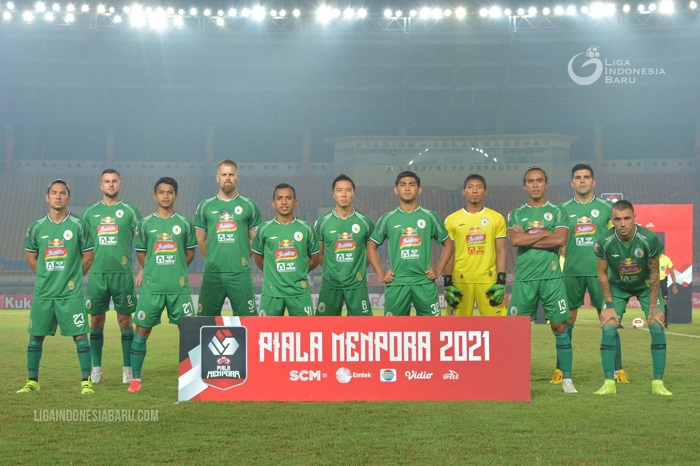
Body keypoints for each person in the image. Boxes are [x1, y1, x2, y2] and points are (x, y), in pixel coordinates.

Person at [18, 179, 96, 395]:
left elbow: (89, 257)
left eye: (62, 193)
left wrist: (72, 278)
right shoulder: (36, 227)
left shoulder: (79, 225)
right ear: (47, 197)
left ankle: (86, 382)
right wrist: (45, 277)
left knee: (80, 336)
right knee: (35, 336)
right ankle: (32, 381)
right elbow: (31, 257)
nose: (58, 196)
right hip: (44, 293)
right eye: (54, 193)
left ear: (69, 197)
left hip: (70, 294)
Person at [554, 164, 629, 384]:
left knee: (609, 321)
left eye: (586, 177)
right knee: (565, 323)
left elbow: (620, 236)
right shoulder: (562, 209)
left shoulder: (607, 208)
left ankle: (618, 370)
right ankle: (560, 370)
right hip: (571, 272)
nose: (582, 180)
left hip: (601, 273)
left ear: (593, 182)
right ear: (572, 183)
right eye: (578, 177)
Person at [507, 167, 577, 393]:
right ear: (524, 186)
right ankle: (515, 379)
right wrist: (547, 233)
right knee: (516, 329)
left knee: (559, 325)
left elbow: (560, 239)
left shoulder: (558, 212)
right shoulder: (517, 213)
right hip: (525, 278)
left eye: (539, 180)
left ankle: (567, 380)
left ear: (546, 184)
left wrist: (528, 236)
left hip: (551, 277)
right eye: (531, 181)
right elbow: (515, 240)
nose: (535, 184)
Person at [593, 200, 672, 395]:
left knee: (656, 326)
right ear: (612, 220)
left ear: (634, 218)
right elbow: (602, 273)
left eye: (627, 218)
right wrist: (609, 305)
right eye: (618, 219)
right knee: (608, 327)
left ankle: (658, 384)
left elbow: (654, 273)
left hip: (645, 286)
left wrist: (653, 306)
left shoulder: (648, 238)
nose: (622, 224)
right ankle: (609, 384)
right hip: (617, 287)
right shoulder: (604, 241)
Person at [128, 177, 197, 393]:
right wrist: (153, 270)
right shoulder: (145, 224)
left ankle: (194, 379)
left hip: (178, 288)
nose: (165, 196)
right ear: (155, 196)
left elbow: (189, 253)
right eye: (161, 192)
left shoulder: (185, 223)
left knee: (188, 331)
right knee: (142, 330)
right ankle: (136, 379)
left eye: (169, 192)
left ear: (176, 195)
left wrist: (176, 269)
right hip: (153, 288)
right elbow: (141, 254)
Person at [83, 169, 142, 385]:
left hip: (123, 274)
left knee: (125, 321)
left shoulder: (130, 211)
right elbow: (82, 245)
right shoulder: (90, 213)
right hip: (97, 274)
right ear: (101, 186)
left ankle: (127, 369)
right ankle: (96, 369)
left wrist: (143, 268)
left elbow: (143, 241)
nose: (110, 184)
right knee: (96, 320)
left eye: (114, 181)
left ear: (120, 185)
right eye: (107, 181)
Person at [367, 171, 454, 316]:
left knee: (433, 327)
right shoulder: (388, 218)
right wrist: (381, 274)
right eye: (403, 185)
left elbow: (449, 244)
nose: (407, 188)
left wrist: (438, 270)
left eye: (412, 185)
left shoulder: (429, 216)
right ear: (396, 190)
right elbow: (371, 247)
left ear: (419, 189)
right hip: (397, 283)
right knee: (394, 329)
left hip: (424, 282)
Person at [194, 160, 261, 316]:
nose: (228, 178)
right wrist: (213, 257)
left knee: (248, 321)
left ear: (237, 177)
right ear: (217, 178)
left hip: (240, 273)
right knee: (205, 321)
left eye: (231, 174)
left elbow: (255, 241)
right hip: (213, 273)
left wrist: (241, 256)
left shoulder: (249, 205)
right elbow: (200, 240)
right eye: (224, 174)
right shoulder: (205, 206)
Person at [443, 174, 507, 316]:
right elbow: (448, 253)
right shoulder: (452, 219)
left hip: (488, 279)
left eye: (479, 187)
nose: (474, 191)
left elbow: (501, 250)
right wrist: (448, 283)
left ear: (485, 192)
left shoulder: (496, 218)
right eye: (470, 187)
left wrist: (501, 281)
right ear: (464, 191)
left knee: (498, 325)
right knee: (456, 327)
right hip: (461, 280)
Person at [252, 183, 320, 316]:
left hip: (299, 292)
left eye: (288, 198)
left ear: (295, 202)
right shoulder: (263, 229)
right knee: (267, 329)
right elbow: (258, 259)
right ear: (273, 203)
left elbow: (315, 259)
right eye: (279, 198)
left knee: (305, 329)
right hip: (272, 292)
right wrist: (273, 273)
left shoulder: (307, 228)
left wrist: (298, 271)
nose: (284, 202)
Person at [314, 174, 375, 316]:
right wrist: (332, 270)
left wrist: (357, 270)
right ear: (333, 194)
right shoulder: (322, 222)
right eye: (339, 190)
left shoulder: (365, 221)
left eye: (348, 190)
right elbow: (319, 255)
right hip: (330, 283)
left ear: (354, 193)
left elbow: (371, 252)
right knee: (324, 325)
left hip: (357, 284)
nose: (343, 194)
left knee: (363, 325)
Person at [658, 246, 678, 328]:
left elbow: (672, 272)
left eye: (660, 250)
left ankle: (665, 322)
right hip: (652, 282)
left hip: (662, 282)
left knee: (664, 302)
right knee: (652, 302)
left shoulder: (666, 259)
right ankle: (653, 321)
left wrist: (674, 285)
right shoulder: (650, 258)